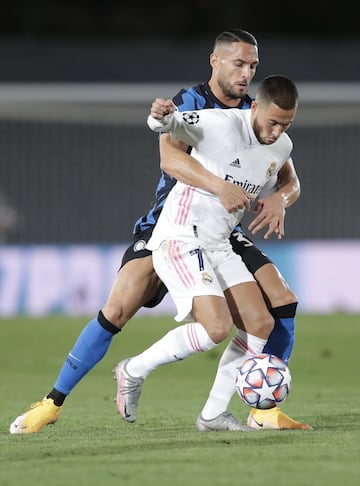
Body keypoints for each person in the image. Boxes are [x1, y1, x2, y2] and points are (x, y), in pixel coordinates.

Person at [10, 29, 310, 435]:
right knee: (117, 311)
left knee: (278, 304)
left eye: (253, 65)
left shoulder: (261, 117)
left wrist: (281, 199)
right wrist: (217, 183)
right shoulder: (198, 107)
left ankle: (257, 409)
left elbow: (287, 177)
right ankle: (52, 402)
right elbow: (169, 154)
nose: (246, 72)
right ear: (215, 61)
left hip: (223, 228)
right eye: (239, 63)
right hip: (172, 222)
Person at [112, 74, 300, 430]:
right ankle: (132, 370)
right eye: (273, 122)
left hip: (220, 240)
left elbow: (289, 182)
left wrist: (280, 200)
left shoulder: (282, 147)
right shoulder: (219, 123)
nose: (277, 132)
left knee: (260, 324)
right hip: (181, 234)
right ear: (255, 107)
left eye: (286, 125)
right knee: (216, 327)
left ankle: (213, 414)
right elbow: (167, 126)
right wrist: (161, 115)